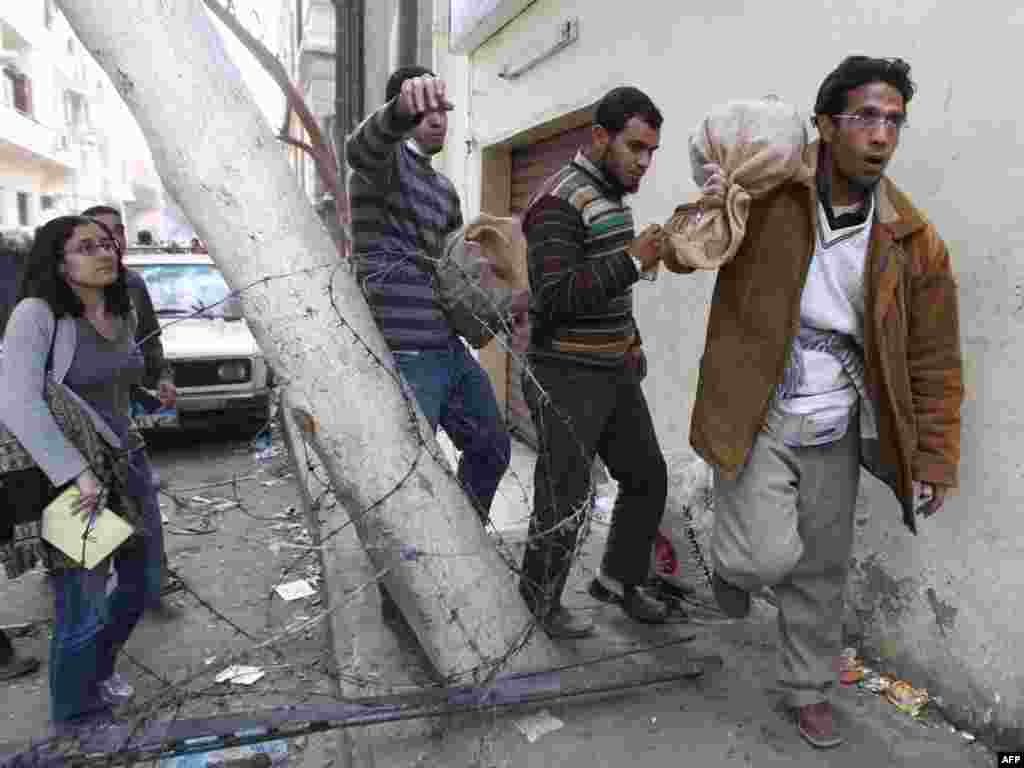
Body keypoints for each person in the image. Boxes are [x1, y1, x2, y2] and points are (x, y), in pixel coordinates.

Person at [690, 57, 963, 748]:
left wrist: (933, 456)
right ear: (824, 124)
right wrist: (714, 195)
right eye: (865, 116)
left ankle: (807, 688)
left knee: (820, 568)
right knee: (761, 561)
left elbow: (933, 357)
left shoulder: (912, 237)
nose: (881, 135)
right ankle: (731, 565)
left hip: (839, 416)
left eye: (894, 120)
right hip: (759, 400)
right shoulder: (772, 190)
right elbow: (692, 238)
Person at [518, 87, 674, 639]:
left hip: (613, 368)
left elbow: (607, 287)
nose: (644, 161)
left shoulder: (611, 196)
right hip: (565, 372)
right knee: (565, 494)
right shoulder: (559, 200)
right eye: (635, 147)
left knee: (646, 476)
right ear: (600, 137)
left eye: (652, 150)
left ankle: (618, 579)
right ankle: (538, 602)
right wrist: (634, 260)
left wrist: (630, 338)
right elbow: (555, 296)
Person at [0, 215, 166, 725]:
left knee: (140, 582)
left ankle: (94, 671)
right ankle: (74, 718)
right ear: (58, 262)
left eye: (108, 244)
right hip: (69, 478)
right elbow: (17, 401)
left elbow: (101, 383)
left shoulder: (120, 307)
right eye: (86, 247)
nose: (105, 253)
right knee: (83, 600)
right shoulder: (37, 314)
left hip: (124, 461)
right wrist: (76, 473)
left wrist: (144, 391)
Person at [346, 67, 512, 519]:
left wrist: (498, 301)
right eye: (426, 106)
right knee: (407, 478)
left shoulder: (444, 190)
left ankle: (463, 545)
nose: (437, 115)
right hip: (400, 352)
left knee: (493, 449)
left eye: (443, 106)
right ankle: (403, 587)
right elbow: (360, 148)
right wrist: (400, 110)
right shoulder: (381, 166)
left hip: (447, 348)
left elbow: (458, 273)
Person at [83, 205, 180, 617]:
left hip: (124, 431)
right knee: (91, 525)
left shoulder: (131, 286)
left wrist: (160, 374)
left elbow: (150, 339)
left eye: (116, 235)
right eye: (98, 238)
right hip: (80, 438)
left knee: (145, 509)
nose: (111, 244)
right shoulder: (55, 303)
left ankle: (150, 587)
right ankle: (87, 602)